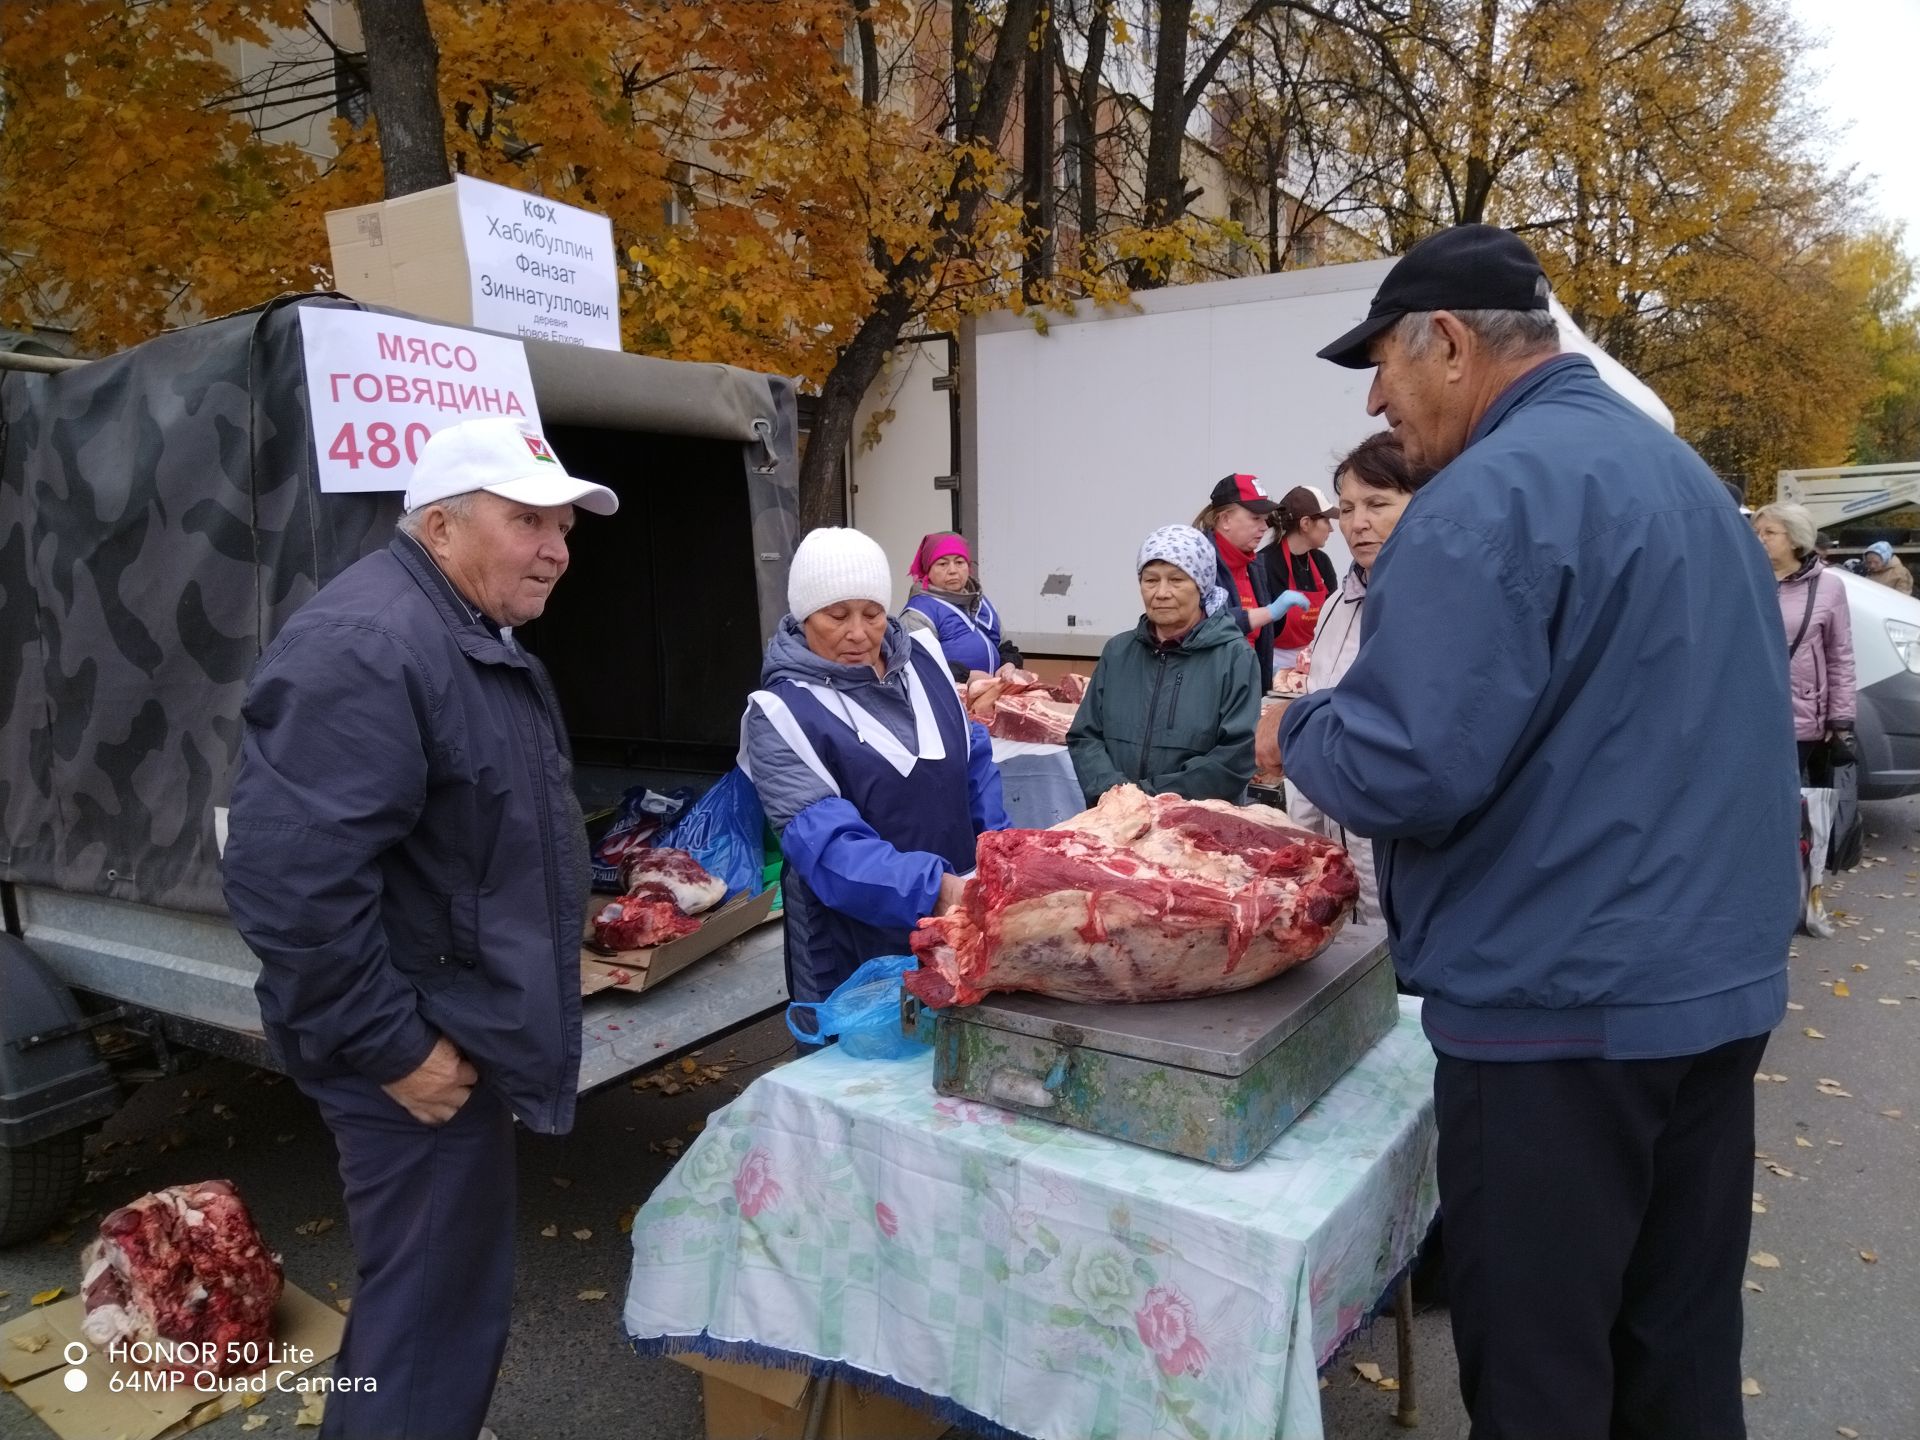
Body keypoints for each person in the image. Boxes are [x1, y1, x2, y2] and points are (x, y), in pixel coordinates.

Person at [1282, 224, 1797, 1439]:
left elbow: (1406, 766)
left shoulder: (1484, 502)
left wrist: (1299, 731)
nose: (1375, 398)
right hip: (1713, 994)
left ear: (1450, 344)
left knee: (1540, 1374)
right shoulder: (1686, 481)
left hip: (1558, 1016)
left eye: (1382, 365)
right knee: (1677, 1349)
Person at [222, 417, 620, 1440]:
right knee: (430, 1312)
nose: (557, 549)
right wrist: (397, 1048)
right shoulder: (371, 645)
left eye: (564, 525)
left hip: (449, 1028)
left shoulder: (460, 631)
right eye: (527, 520)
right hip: (408, 1053)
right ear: (440, 528)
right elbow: (288, 885)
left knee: (442, 1299)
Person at [741, 527, 1009, 1012]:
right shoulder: (779, 713)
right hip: (855, 947)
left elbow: (973, 766)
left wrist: (1000, 859)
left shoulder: (924, 661)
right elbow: (827, 847)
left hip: (961, 924)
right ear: (804, 617)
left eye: (872, 613)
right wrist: (937, 890)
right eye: (836, 615)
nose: (859, 634)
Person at [1280, 433, 1432, 920]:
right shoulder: (1335, 607)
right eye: (1346, 509)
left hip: (1408, 864)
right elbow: (1313, 717)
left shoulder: (1436, 605)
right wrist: (1306, 847)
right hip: (1337, 857)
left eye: (1378, 504)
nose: (1358, 524)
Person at [1067, 525, 1261, 805]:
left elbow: (1236, 757)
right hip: (1113, 821)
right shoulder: (1118, 652)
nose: (1161, 592)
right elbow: (1085, 736)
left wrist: (1150, 799)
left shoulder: (1234, 657)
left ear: (1201, 584)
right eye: (1150, 580)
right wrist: (1114, 792)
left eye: (1177, 580)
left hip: (1193, 830)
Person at [1752, 503, 1856, 776]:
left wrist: (1840, 720)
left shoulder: (1829, 587)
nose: (1759, 538)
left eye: (1770, 532)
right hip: (1750, 713)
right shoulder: (1744, 579)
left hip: (1803, 717)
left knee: (1798, 798)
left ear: (1796, 539)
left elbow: (1840, 656)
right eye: (1755, 531)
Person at [1194, 473, 1308, 692]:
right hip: (1209, 690)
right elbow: (1204, 624)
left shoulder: (1254, 565)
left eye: (1265, 519)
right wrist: (1270, 612)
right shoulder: (1197, 563)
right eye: (1256, 518)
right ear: (1225, 519)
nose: (1265, 527)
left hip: (1246, 687)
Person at [899, 530, 1020, 678]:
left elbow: (1004, 647)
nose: (953, 571)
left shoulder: (981, 601)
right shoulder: (917, 614)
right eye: (942, 564)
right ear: (928, 571)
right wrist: (966, 676)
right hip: (949, 697)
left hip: (993, 692)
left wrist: (1009, 664)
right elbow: (918, 665)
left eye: (959, 562)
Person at [1258, 484, 1342, 670]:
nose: (1331, 529)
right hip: (1273, 665)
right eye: (1326, 521)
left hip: (1312, 662)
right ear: (1305, 523)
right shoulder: (1265, 563)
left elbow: (1332, 617)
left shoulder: (1322, 562)